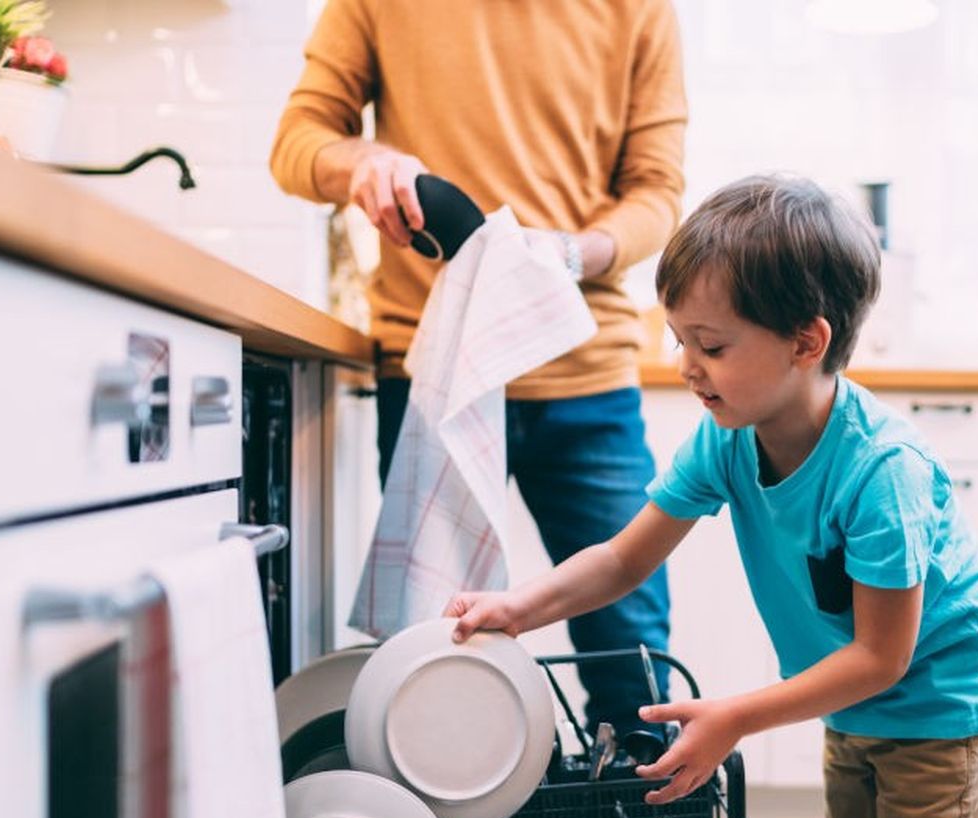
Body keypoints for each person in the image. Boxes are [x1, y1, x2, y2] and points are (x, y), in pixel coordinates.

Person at [443, 175, 978, 818]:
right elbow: (621, 560)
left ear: (805, 343)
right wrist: (517, 607)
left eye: (711, 346)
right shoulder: (727, 439)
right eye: (680, 340)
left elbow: (883, 657)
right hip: (853, 713)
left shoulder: (881, 473)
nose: (687, 367)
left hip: (941, 718)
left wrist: (735, 718)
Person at [269, 1, 688, 735]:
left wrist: (569, 254)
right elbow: (296, 143)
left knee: (635, 666)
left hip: (585, 375)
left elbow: (657, 193)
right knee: (435, 654)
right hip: (437, 374)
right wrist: (362, 162)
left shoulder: (639, 9)